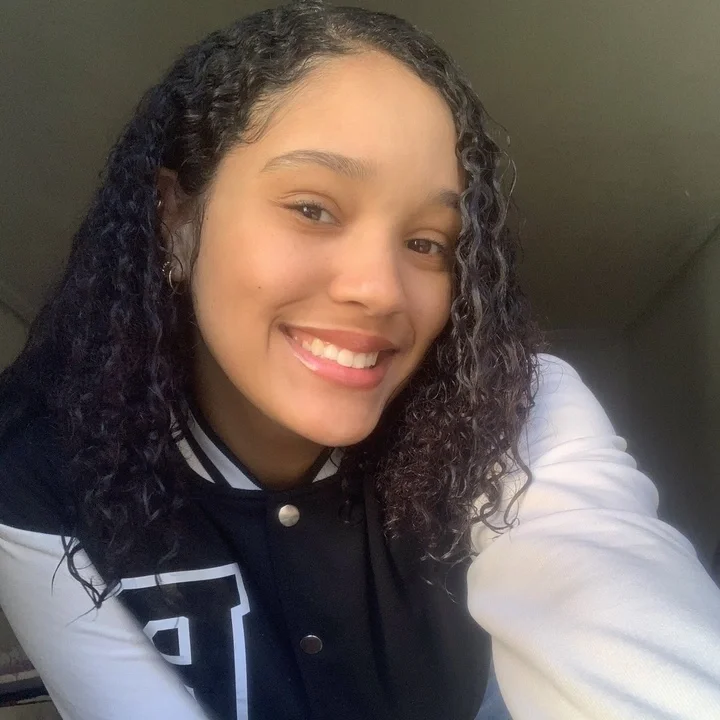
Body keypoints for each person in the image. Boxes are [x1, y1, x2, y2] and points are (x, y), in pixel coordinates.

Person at [0, 2, 719, 719]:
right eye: (312, 208)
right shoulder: (38, 471)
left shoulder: (511, 405)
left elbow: (606, 588)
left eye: (428, 243)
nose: (380, 290)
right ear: (176, 218)